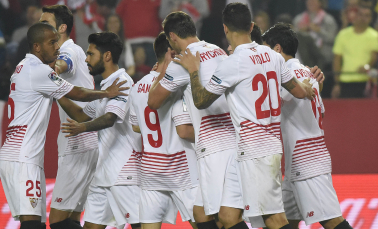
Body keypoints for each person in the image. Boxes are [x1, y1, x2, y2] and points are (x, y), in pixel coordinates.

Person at [172, 3, 315, 229]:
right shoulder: (274, 56)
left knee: (275, 219)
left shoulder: (233, 63)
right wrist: (309, 86)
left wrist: (192, 70)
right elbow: (298, 91)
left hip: (257, 151)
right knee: (228, 216)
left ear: (225, 29)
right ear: (251, 26)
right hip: (249, 150)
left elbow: (200, 101)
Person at [0, 23, 126, 229]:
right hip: (24, 158)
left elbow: (74, 110)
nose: (57, 47)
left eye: (57, 42)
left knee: (36, 225)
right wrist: (106, 93)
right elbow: (78, 93)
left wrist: (88, 123)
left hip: (19, 156)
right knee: (32, 226)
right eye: (52, 42)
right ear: (37, 47)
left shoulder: (23, 68)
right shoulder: (37, 70)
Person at [148, 11, 244, 229]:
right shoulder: (218, 50)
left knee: (227, 219)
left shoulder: (183, 61)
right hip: (232, 139)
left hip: (214, 147)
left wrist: (165, 64)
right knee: (200, 213)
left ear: (172, 36)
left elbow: (153, 101)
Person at [262, 23, 354, 229]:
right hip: (297, 163)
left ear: (277, 49)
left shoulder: (286, 77)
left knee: (332, 221)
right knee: (277, 223)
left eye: (265, 49)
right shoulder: (308, 73)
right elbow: (319, 110)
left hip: (307, 162)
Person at [57, 32, 141, 229]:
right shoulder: (105, 87)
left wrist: (82, 128)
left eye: (90, 54)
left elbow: (110, 118)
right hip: (103, 173)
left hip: (124, 173)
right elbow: (81, 114)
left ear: (107, 55)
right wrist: (56, 90)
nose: (86, 59)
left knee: (141, 226)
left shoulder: (123, 82)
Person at [130, 32, 198, 229]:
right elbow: (183, 131)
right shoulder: (178, 86)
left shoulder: (137, 87)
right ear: (172, 52)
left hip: (151, 170)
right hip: (180, 170)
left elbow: (136, 127)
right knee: (204, 224)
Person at [39, 5, 99, 228]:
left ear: (62, 28)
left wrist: (42, 68)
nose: (40, 27)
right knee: (72, 218)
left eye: (46, 23)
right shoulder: (72, 50)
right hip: (84, 142)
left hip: (77, 144)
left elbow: (61, 66)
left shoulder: (69, 50)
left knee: (57, 220)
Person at [332, 5, 378, 98]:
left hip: (366, 81)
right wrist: (337, 83)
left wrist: (367, 66)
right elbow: (337, 59)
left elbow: (374, 56)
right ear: (355, 16)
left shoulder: (375, 36)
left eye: (367, 15)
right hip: (345, 80)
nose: (363, 18)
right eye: (361, 14)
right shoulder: (343, 35)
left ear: (370, 19)